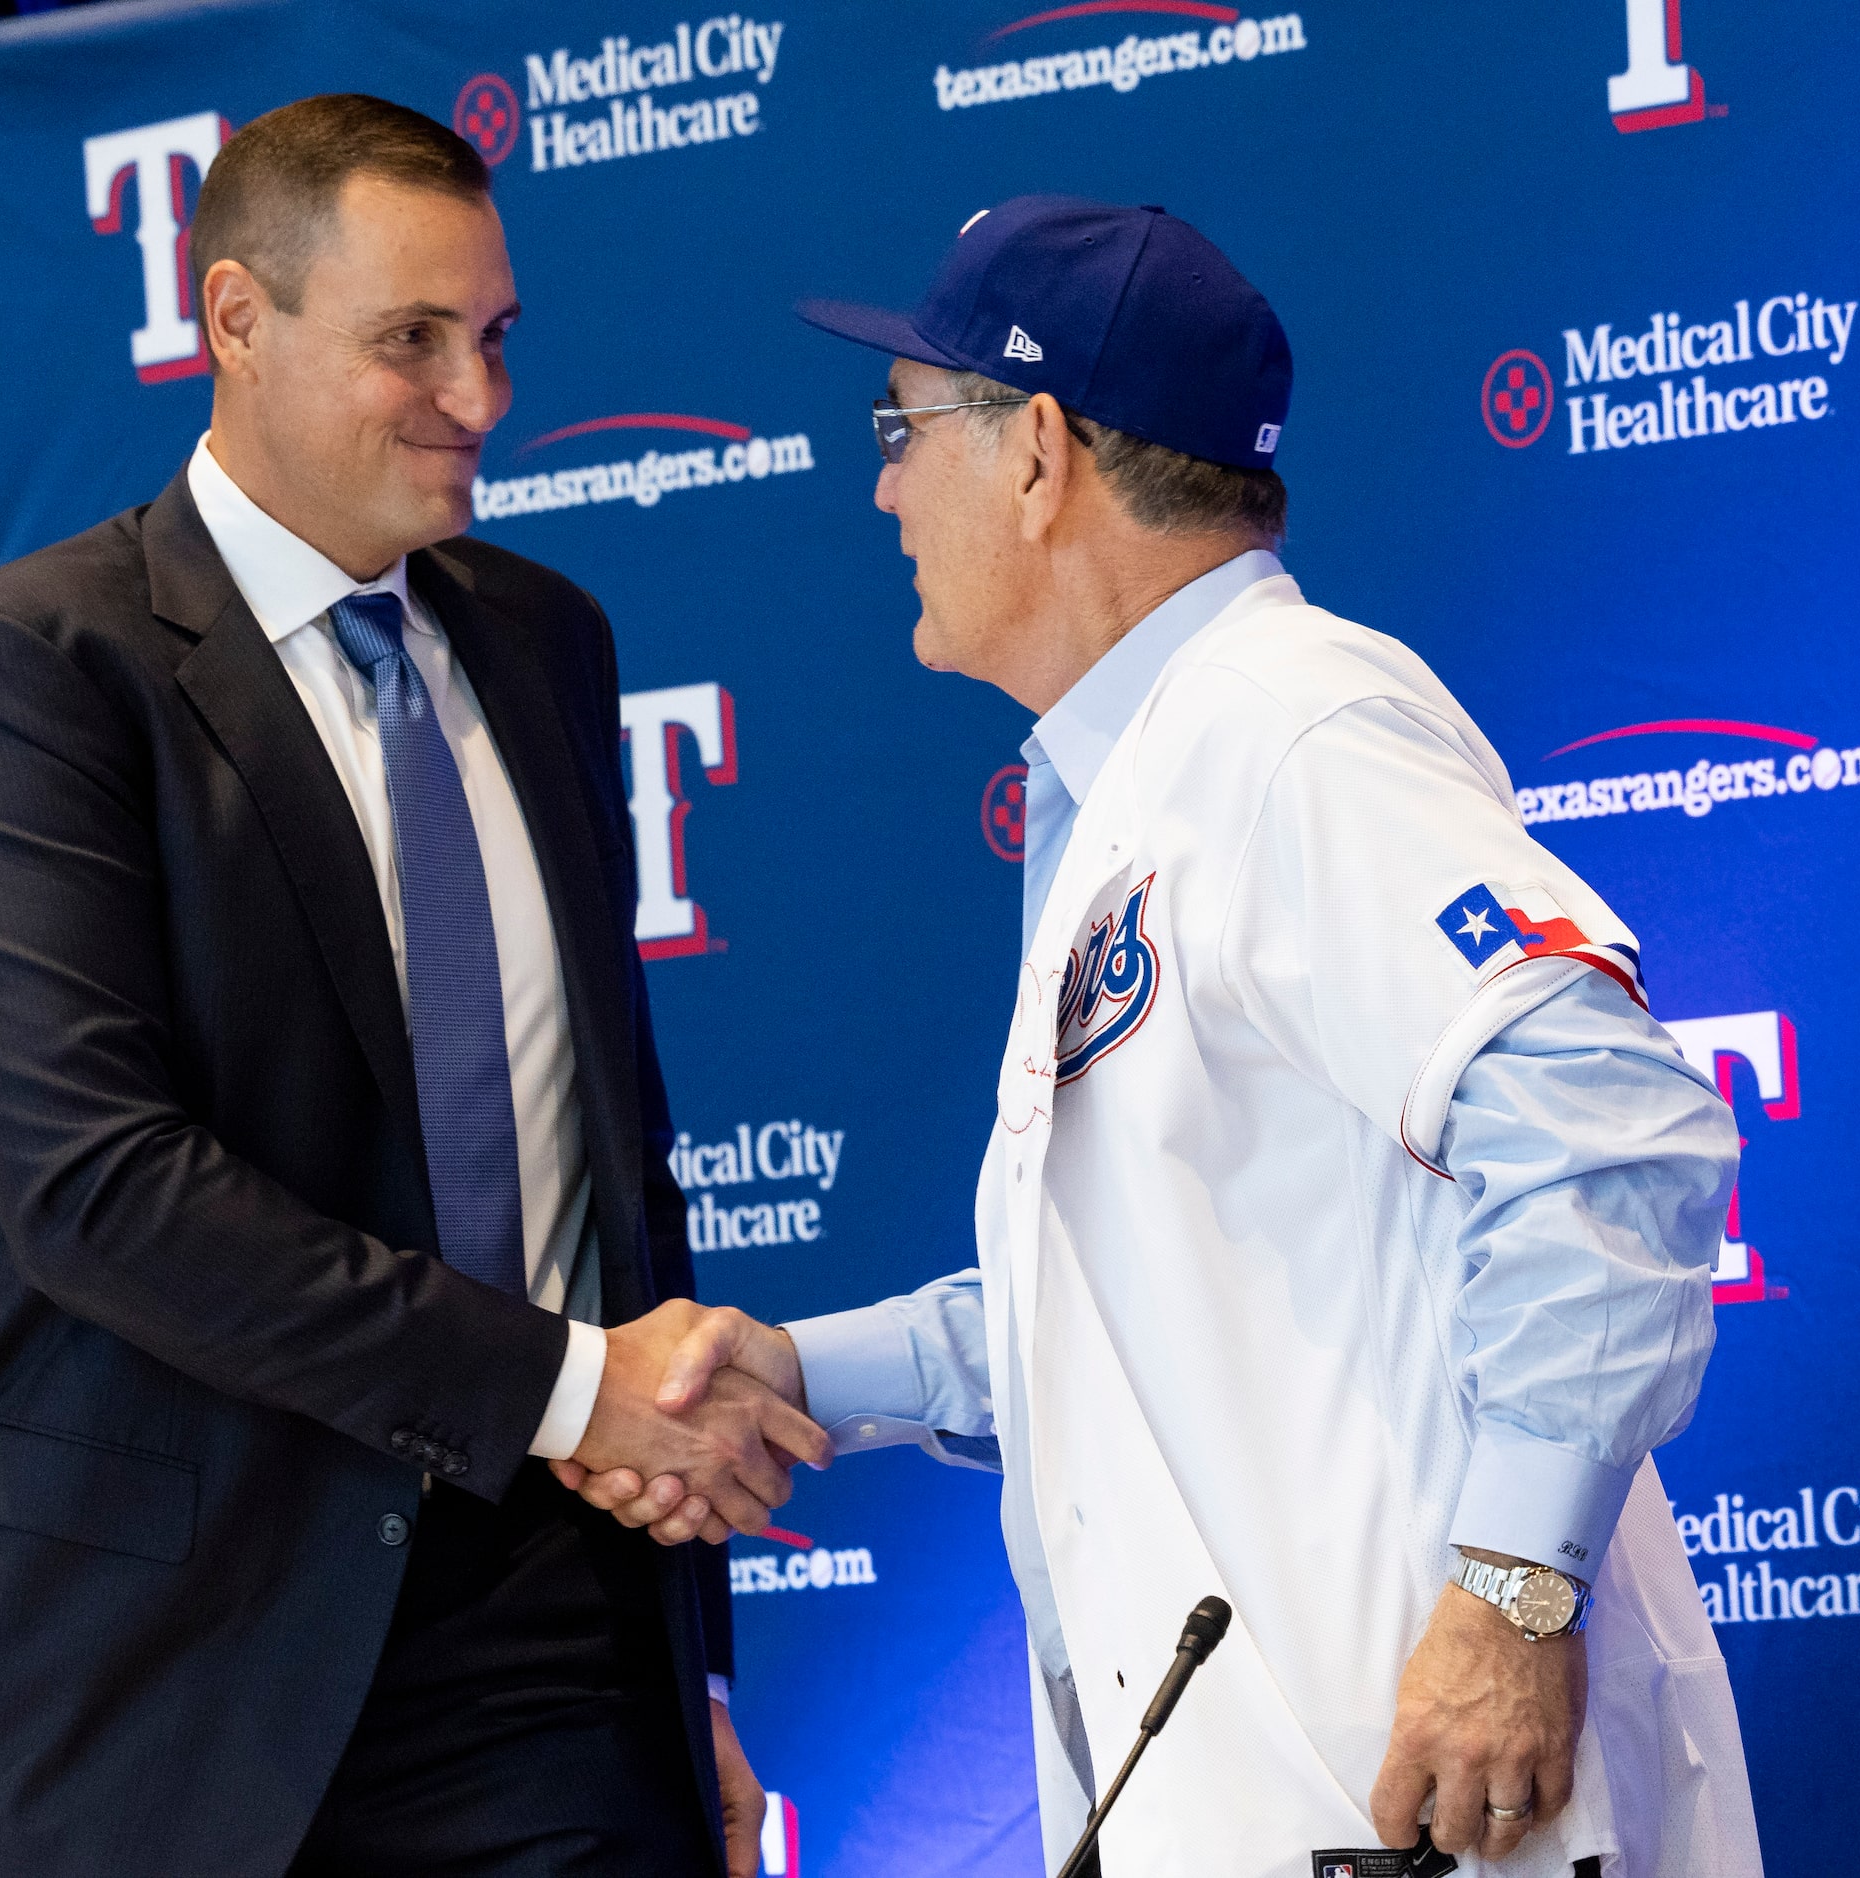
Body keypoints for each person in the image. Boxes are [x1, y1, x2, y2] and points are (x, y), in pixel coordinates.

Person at [558, 197, 1764, 1876]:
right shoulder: (1144, 777)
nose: (884, 485)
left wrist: (1509, 1595)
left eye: (902, 431)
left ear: (1038, 453)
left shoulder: (1291, 728)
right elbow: (1151, 1289)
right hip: (1286, 1803)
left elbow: (1606, 1132)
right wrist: (793, 1377)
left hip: (1417, 1808)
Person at [0, 94, 826, 1878]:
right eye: (410, 342)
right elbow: (97, 1189)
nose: (480, 400)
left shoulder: (543, 640)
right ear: (231, 323)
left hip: (546, 1656)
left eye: (495, 336)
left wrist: (695, 1666)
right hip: (158, 1680)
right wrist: (564, 1385)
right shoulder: (38, 670)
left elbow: (613, 1170)